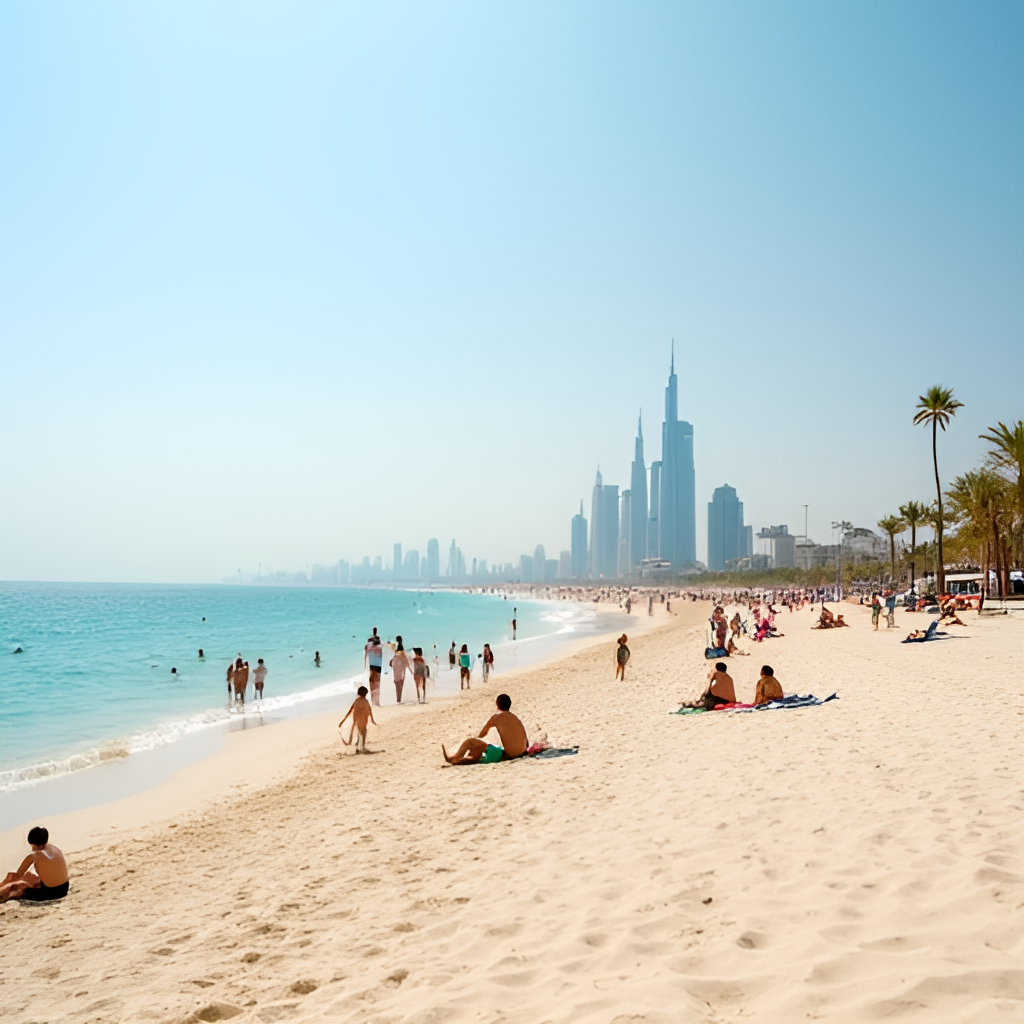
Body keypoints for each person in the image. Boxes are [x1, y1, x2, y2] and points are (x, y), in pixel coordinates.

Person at [442, 693, 529, 764]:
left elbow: (482, 734)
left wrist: (476, 738)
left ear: (497, 705)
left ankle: (455, 759)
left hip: (508, 755)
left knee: (470, 742)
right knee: (482, 750)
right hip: (521, 752)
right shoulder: (515, 718)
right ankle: (456, 757)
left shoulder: (496, 717)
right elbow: (526, 742)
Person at [0, 827, 69, 903]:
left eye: (33, 845)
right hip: (64, 888)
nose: (32, 849)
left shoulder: (35, 856)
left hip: (52, 893)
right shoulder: (54, 848)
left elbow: (19, 873)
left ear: (34, 844)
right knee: (30, 876)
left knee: (15, 887)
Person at [338, 686, 376, 753]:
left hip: (357, 718)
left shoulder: (357, 700)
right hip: (363, 718)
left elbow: (351, 710)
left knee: (359, 731)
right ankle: (362, 747)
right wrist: (372, 719)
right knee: (363, 731)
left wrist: (344, 719)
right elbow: (369, 710)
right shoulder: (365, 701)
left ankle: (358, 748)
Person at [391, 636, 411, 703]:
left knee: (397, 682)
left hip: (396, 665)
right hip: (401, 666)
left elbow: (397, 655)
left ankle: (398, 699)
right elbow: (404, 657)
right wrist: (409, 667)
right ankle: (399, 699)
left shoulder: (397, 648)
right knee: (400, 682)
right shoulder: (400, 647)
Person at [364, 636, 383, 706]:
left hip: (371, 667)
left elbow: (365, 655)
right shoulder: (379, 648)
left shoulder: (369, 648)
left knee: (372, 684)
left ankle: (373, 701)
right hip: (378, 666)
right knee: (377, 684)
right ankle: (377, 701)